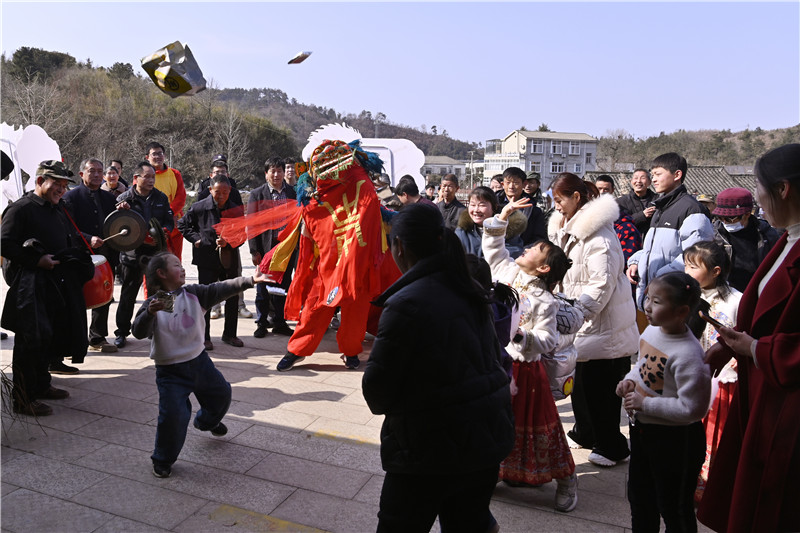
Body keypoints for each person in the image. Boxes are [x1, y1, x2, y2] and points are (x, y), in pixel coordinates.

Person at [362, 203, 515, 532]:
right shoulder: (470, 288)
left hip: (427, 447)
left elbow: (377, 392)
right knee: (468, 523)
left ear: (400, 246)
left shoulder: (405, 303)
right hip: (486, 439)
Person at [698, 143, 800, 533]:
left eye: (758, 187)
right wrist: (731, 345)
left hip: (786, 402)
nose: (756, 198)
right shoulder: (785, 239)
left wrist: (757, 349)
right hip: (763, 387)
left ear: (784, 189)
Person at [132, 252, 269, 478]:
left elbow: (220, 288)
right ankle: (163, 459)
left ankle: (207, 421)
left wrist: (250, 281)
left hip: (199, 362)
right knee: (173, 416)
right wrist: (149, 313)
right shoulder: (155, 303)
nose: (183, 268)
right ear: (162, 273)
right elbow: (138, 332)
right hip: (170, 372)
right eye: (177, 265)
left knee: (222, 394)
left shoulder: (194, 294)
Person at [483, 197, 579, 512]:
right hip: (502, 366)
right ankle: (503, 471)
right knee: (502, 424)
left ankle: (566, 478)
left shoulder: (545, 300)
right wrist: (502, 217)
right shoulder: (508, 275)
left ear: (544, 267)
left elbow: (549, 339)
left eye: (535, 249)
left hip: (528, 373)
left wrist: (521, 335)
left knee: (544, 427)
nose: (525, 248)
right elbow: (494, 251)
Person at [548, 172, 639, 467]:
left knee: (603, 390)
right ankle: (587, 432)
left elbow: (601, 284)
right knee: (583, 387)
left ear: (576, 198)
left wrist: (576, 314)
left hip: (605, 324)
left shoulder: (600, 235)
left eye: (559, 200)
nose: (556, 206)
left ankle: (612, 445)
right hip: (583, 321)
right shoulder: (565, 228)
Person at [617, 272, 710, 532]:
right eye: (648, 298)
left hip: (676, 440)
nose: (647, 306)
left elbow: (692, 409)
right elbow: (643, 368)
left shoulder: (689, 356)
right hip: (644, 432)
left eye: (657, 302)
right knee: (640, 499)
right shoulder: (652, 333)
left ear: (681, 311)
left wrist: (644, 404)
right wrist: (630, 382)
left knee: (674, 507)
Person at [1, 161, 92, 416]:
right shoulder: (20, 209)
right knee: (29, 342)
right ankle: (22, 397)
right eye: (57, 185)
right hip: (30, 287)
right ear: (40, 181)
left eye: (64, 186)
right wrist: (36, 260)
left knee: (48, 338)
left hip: (55, 284)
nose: (61, 190)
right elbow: (4, 244)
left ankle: (42, 385)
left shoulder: (58, 207)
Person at [682, 241, 742, 504]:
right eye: (685, 264)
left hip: (723, 380)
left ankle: (710, 488)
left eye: (693, 266)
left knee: (714, 434)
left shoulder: (736, 301)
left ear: (716, 270)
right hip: (690, 376)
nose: (686, 270)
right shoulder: (683, 295)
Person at [626, 153, 714, 310]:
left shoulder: (692, 209)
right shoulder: (660, 208)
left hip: (674, 298)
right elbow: (652, 249)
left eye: (658, 174)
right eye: (652, 175)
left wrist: (660, 277)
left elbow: (695, 257)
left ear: (677, 175)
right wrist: (636, 261)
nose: (653, 180)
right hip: (654, 296)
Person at [178, 175, 245, 350]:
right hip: (206, 259)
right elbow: (183, 225)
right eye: (217, 192)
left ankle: (230, 334)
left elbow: (242, 235)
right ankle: (204, 336)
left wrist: (228, 242)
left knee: (231, 295)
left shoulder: (236, 210)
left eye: (225, 192)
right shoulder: (200, 207)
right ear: (210, 190)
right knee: (205, 298)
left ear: (230, 191)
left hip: (229, 259)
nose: (221, 195)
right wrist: (196, 239)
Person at [114, 162, 174, 348]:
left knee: (158, 294)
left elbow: (169, 221)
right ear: (135, 178)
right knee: (128, 296)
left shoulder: (161, 198)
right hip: (132, 254)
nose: (150, 180)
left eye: (153, 177)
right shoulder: (124, 199)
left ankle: (156, 329)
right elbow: (117, 226)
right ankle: (122, 332)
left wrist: (164, 231)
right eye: (146, 177)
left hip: (155, 253)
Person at [63, 157, 120, 355]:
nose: (96, 175)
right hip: (79, 255)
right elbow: (67, 228)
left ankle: (97, 337)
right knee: (77, 298)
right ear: (81, 174)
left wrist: (125, 212)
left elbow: (118, 224)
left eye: (99, 171)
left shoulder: (110, 198)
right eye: (92, 171)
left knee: (104, 296)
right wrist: (87, 238)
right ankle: (74, 339)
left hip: (105, 255)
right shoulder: (71, 197)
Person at [194, 158, 251, 321]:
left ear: (228, 173)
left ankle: (240, 306)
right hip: (210, 245)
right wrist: (199, 239)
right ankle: (215, 307)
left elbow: (240, 219)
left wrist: (231, 239)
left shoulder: (233, 190)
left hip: (230, 243)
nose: (220, 175)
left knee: (234, 277)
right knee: (211, 281)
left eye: (223, 172)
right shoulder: (204, 191)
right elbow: (196, 220)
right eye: (217, 172)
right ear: (211, 175)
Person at [248, 157, 296, 338]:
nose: (276, 175)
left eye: (279, 171)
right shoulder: (257, 194)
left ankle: (279, 322)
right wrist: (254, 250)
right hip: (266, 247)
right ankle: (261, 322)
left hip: (287, 246)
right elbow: (251, 224)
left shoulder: (293, 192)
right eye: (272, 171)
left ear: (284, 172)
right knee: (263, 285)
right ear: (266, 173)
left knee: (283, 285)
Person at [711, 187, 780, 293]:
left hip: (758, 291)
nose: (725, 221)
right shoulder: (714, 233)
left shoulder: (767, 234)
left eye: (730, 218)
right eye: (721, 217)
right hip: (725, 292)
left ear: (747, 214)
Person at [455, 185, 527, 259]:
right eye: (472, 205)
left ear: (494, 207)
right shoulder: (463, 231)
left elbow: (513, 252)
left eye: (482, 205)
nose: (476, 210)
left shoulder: (508, 230)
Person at [145, 141, 186, 261]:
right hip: (152, 224)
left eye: (160, 153)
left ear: (164, 155)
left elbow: (181, 197)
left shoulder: (175, 173)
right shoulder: (143, 175)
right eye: (154, 154)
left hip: (174, 222)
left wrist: (170, 214)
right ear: (147, 157)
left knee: (174, 258)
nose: (157, 156)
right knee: (153, 260)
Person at [594, 177, 642, 264]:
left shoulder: (625, 227)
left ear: (612, 190)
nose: (602, 192)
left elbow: (627, 258)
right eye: (599, 189)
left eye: (606, 189)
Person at [496, 167, 547, 247]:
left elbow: (539, 238)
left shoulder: (533, 210)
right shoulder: (493, 205)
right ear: (502, 184)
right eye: (508, 183)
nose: (511, 186)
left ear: (524, 184)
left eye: (516, 183)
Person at [617, 168, 657, 237]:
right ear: (631, 181)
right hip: (630, 242)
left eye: (642, 178)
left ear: (649, 182)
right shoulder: (621, 202)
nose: (638, 181)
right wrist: (642, 215)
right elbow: (619, 223)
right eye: (636, 178)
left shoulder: (657, 200)